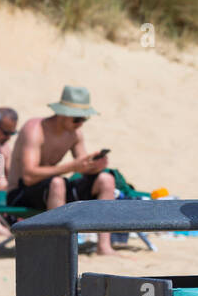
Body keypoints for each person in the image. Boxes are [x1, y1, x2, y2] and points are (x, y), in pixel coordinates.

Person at [6, 86, 118, 253]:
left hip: (53, 189)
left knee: (106, 180)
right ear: (63, 114)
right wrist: (72, 167)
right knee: (58, 183)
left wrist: (95, 166)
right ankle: (59, 249)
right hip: (20, 192)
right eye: (77, 119)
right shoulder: (35, 129)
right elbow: (28, 176)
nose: (80, 123)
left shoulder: (74, 133)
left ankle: (104, 246)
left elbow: (82, 166)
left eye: (84, 119)